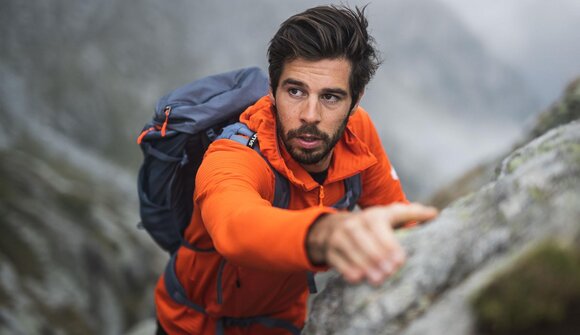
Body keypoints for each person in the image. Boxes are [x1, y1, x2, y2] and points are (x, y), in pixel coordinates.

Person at [155, 5, 438, 334]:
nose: (310, 115)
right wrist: (325, 233)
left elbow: (398, 215)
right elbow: (235, 226)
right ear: (273, 91)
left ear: (355, 100)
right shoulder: (234, 154)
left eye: (331, 97)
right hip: (191, 325)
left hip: (281, 322)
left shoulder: (358, 133)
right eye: (295, 91)